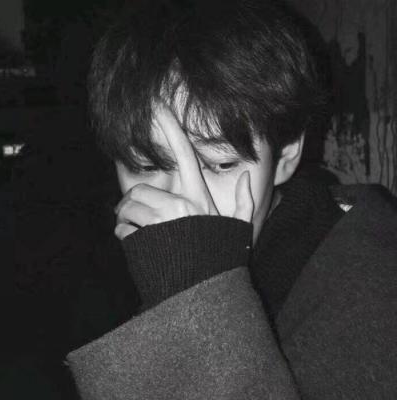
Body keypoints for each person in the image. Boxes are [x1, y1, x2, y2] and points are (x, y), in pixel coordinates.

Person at [66, 0, 397, 399]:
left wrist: (197, 294)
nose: (181, 204)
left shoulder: (375, 290)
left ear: (285, 155)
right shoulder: (100, 273)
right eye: (145, 165)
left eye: (220, 164)